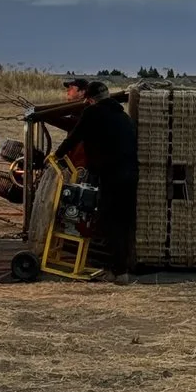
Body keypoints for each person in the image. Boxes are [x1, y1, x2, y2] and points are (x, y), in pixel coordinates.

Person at [54, 80, 138, 285]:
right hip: (130, 176)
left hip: (110, 176)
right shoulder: (124, 117)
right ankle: (122, 268)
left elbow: (74, 137)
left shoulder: (92, 113)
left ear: (89, 100)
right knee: (124, 222)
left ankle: (116, 271)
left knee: (107, 222)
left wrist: (56, 156)